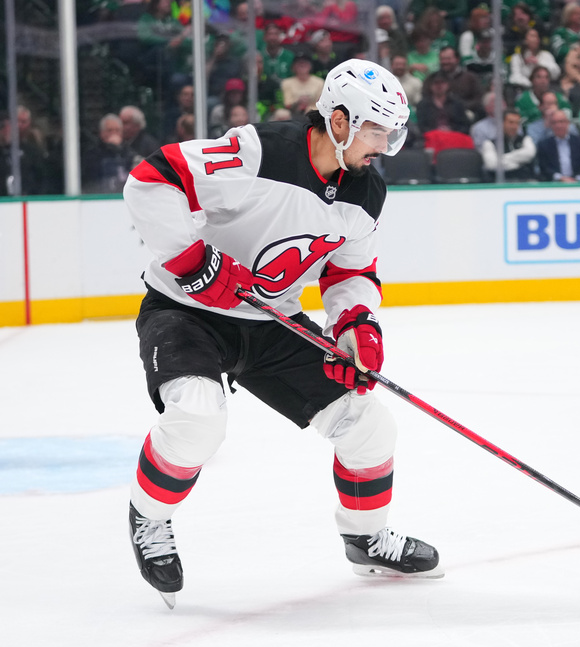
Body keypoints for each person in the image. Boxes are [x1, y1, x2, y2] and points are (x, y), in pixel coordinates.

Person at [122, 59, 441, 608]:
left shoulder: (366, 191)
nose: (385, 146)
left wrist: (355, 324)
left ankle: (365, 537)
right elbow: (151, 181)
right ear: (338, 122)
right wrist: (193, 259)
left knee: (369, 425)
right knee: (197, 419)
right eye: (376, 132)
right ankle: (149, 518)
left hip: (272, 320)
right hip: (186, 310)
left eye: (392, 133)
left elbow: (350, 272)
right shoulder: (257, 151)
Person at [481, 110, 536, 181]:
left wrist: (502, 159)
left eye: (517, 123)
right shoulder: (490, 143)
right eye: (511, 122)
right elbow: (492, 165)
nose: (514, 126)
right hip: (499, 185)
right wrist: (519, 163)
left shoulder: (526, 139)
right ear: (502, 123)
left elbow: (529, 154)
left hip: (524, 183)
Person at [536, 108, 580, 181]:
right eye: (555, 122)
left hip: (578, 183)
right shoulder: (544, 145)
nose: (558, 125)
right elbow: (544, 167)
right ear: (551, 125)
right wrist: (560, 178)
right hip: (555, 185)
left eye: (561, 122)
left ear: (568, 123)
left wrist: (577, 179)